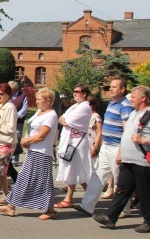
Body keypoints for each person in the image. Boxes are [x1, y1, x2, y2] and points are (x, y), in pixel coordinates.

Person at [93, 85, 150, 233]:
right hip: (128, 160)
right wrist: (121, 153)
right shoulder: (134, 113)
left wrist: (144, 140)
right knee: (122, 190)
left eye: (133, 97)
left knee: (145, 193)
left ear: (143, 98)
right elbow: (126, 135)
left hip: (143, 161)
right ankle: (111, 217)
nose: (131, 100)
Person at [73, 77, 133, 217]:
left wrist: (122, 151)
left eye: (114, 87)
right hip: (106, 146)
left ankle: (125, 209)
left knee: (120, 179)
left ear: (122, 89)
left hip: (117, 147)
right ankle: (87, 206)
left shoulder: (125, 106)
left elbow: (127, 130)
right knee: (98, 175)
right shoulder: (112, 103)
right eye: (110, 87)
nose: (111, 89)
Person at [0, 88, 59, 219]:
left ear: (48, 101)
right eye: (36, 99)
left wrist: (26, 140)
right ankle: (11, 206)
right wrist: (25, 139)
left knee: (42, 182)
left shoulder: (51, 115)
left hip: (42, 153)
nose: (36, 102)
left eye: (39, 99)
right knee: (24, 179)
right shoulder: (39, 112)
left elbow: (42, 135)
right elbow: (30, 127)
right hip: (33, 151)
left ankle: (50, 210)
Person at [54, 84, 92, 208]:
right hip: (70, 142)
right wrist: (63, 120)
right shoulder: (75, 106)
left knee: (73, 169)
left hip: (77, 143)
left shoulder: (85, 107)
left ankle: (69, 198)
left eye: (77, 91)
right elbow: (62, 117)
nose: (74, 93)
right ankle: (91, 195)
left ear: (84, 93)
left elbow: (68, 120)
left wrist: (64, 120)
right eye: (74, 91)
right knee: (77, 171)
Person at [8, 81, 29, 165]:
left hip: (18, 122)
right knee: (9, 139)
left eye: (11, 90)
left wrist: (15, 115)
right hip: (8, 121)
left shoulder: (23, 96)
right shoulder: (8, 95)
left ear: (15, 89)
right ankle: (8, 158)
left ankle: (15, 160)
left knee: (17, 138)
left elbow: (24, 109)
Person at [87, 96, 103, 169]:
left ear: (91, 106)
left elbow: (99, 133)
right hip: (84, 144)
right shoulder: (85, 116)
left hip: (92, 144)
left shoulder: (96, 116)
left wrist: (95, 147)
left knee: (92, 167)